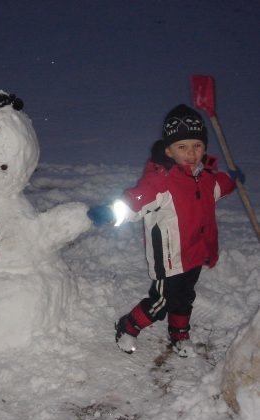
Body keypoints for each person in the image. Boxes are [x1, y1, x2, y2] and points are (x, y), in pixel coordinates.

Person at [88, 104, 244, 357]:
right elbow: (135, 202)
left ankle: (179, 334)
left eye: (197, 146)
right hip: (170, 259)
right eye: (182, 147)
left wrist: (231, 179)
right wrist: (111, 211)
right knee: (160, 302)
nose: (191, 153)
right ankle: (128, 326)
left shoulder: (205, 177)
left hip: (194, 252)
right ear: (169, 150)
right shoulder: (161, 181)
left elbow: (217, 187)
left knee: (185, 297)